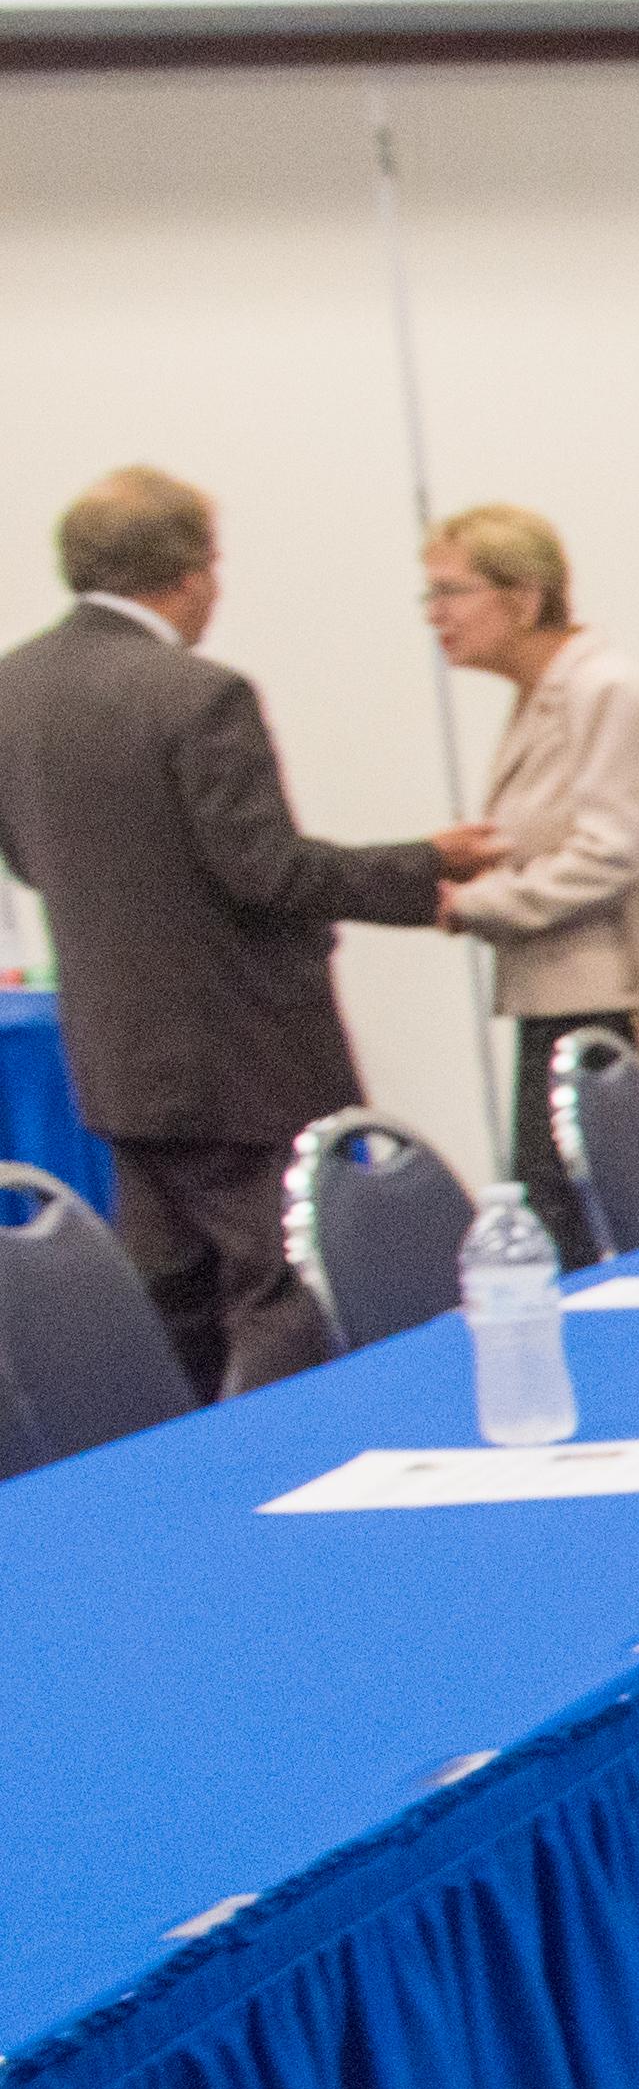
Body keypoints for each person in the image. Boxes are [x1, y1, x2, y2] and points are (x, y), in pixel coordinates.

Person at [0, 469, 489, 1397]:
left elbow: (30, 862)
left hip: (116, 1057)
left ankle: (180, 1491)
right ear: (188, 574)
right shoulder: (200, 695)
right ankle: (284, 1470)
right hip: (242, 1055)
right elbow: (267, 872)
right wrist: (427, 863)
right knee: (279, 1287)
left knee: (170, 1293)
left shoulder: (12, 688)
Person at [423, 505, 639, 1261]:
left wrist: (478, 903)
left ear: (523, 598)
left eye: (451, 592)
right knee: (559, 1228)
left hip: (613, 1005)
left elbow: (615, 852)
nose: (435, 616)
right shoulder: (545, 694)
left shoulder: (604, 690)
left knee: (593, 1235)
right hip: (560, 997)